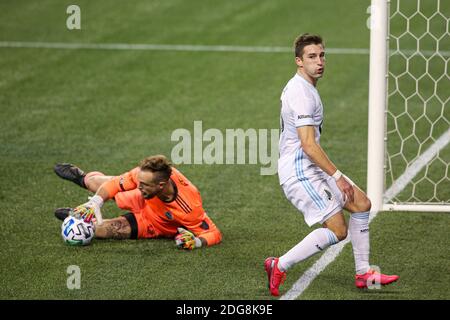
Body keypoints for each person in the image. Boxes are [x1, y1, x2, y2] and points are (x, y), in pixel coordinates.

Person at [265, 33, 399, 296]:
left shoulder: (305, 87)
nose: (320, 61)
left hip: (309, 165)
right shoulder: (301, 93)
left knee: (361, 203)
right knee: (338, 230)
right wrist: (337, 176)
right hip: (299, 170)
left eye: (322, 55)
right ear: (299, 62)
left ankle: (363, 274)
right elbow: (308, 144)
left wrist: (335, 175)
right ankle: (278, 264)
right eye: (312, 57)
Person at [54, 155, 222, 250]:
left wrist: (197, 242)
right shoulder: (143, 177)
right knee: (100, 185)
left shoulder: (189, 206)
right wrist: (96, 202)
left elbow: (214, 234)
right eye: (138, 182)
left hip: (154, 224)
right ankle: (82, 178)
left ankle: (76, 217)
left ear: (161, 185)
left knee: (102, 231)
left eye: (144, 184)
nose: (138, 185)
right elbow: (113, 185)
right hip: (144, 199)